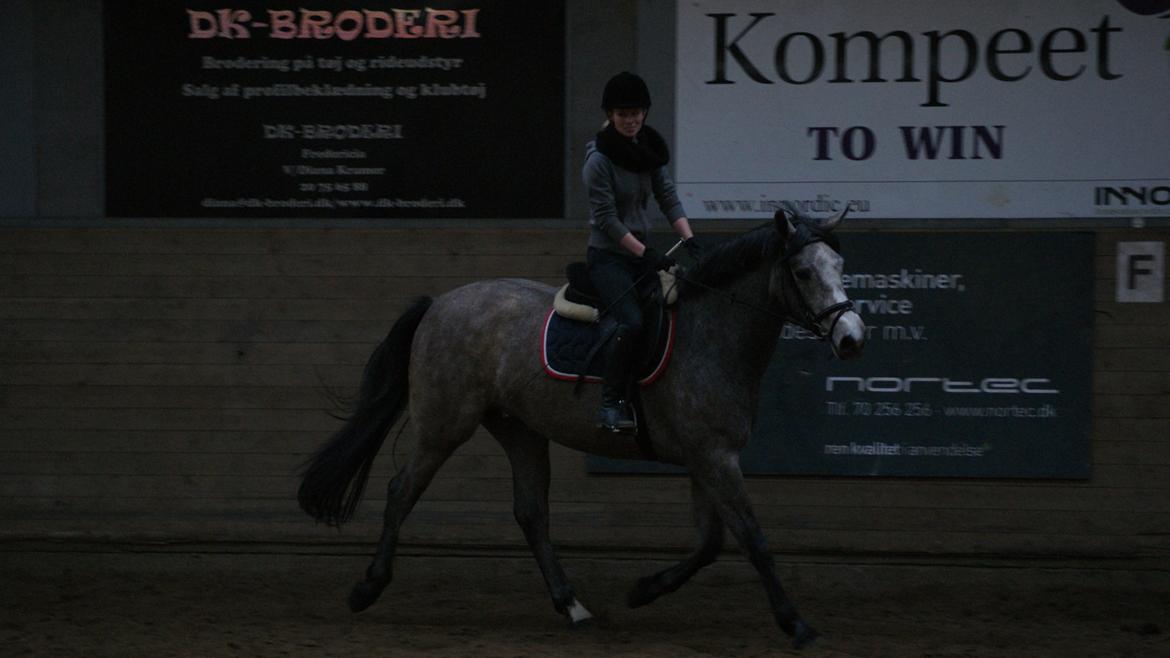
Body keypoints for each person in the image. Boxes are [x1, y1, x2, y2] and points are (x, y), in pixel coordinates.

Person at [583, 71, 701, 433]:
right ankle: (609, 404)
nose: (630, 120)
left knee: (668, 314)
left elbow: (667, 196)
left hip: (639, 257)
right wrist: (645, 253)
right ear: (611, 115)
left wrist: (690, 237)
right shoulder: (598, 162)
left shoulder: (648, 150)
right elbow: (606, 220)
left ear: (644, 114)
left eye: (636, 113)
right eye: (622, 114)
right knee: (630, 322)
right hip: (608, 258)